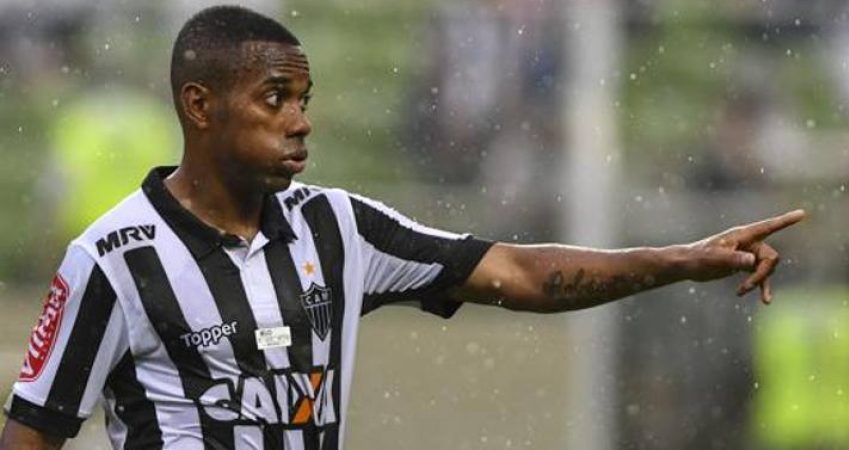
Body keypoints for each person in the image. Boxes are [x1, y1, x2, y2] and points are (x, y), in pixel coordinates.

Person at [0, 5, 805, 450]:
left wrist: (681, 259)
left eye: (305, 100)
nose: (301, 121)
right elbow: (32, 436)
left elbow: (520, 275)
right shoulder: (112, 260)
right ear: (200, 106)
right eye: (275, 99)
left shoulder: (338, 228)